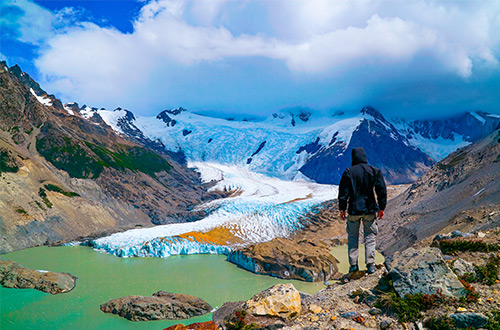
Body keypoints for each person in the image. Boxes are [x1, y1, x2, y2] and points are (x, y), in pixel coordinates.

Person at [338, 147, 387, 274]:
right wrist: (382, 207)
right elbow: (381, 190)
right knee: (370, 237)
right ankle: (370, 265)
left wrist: (342, 209)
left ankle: (353, 266)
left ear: (353, 157)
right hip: (370, 209)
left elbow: (343, 193)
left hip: (353, 210)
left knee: (353, 237)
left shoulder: (348, 172)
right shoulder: (374, 171)